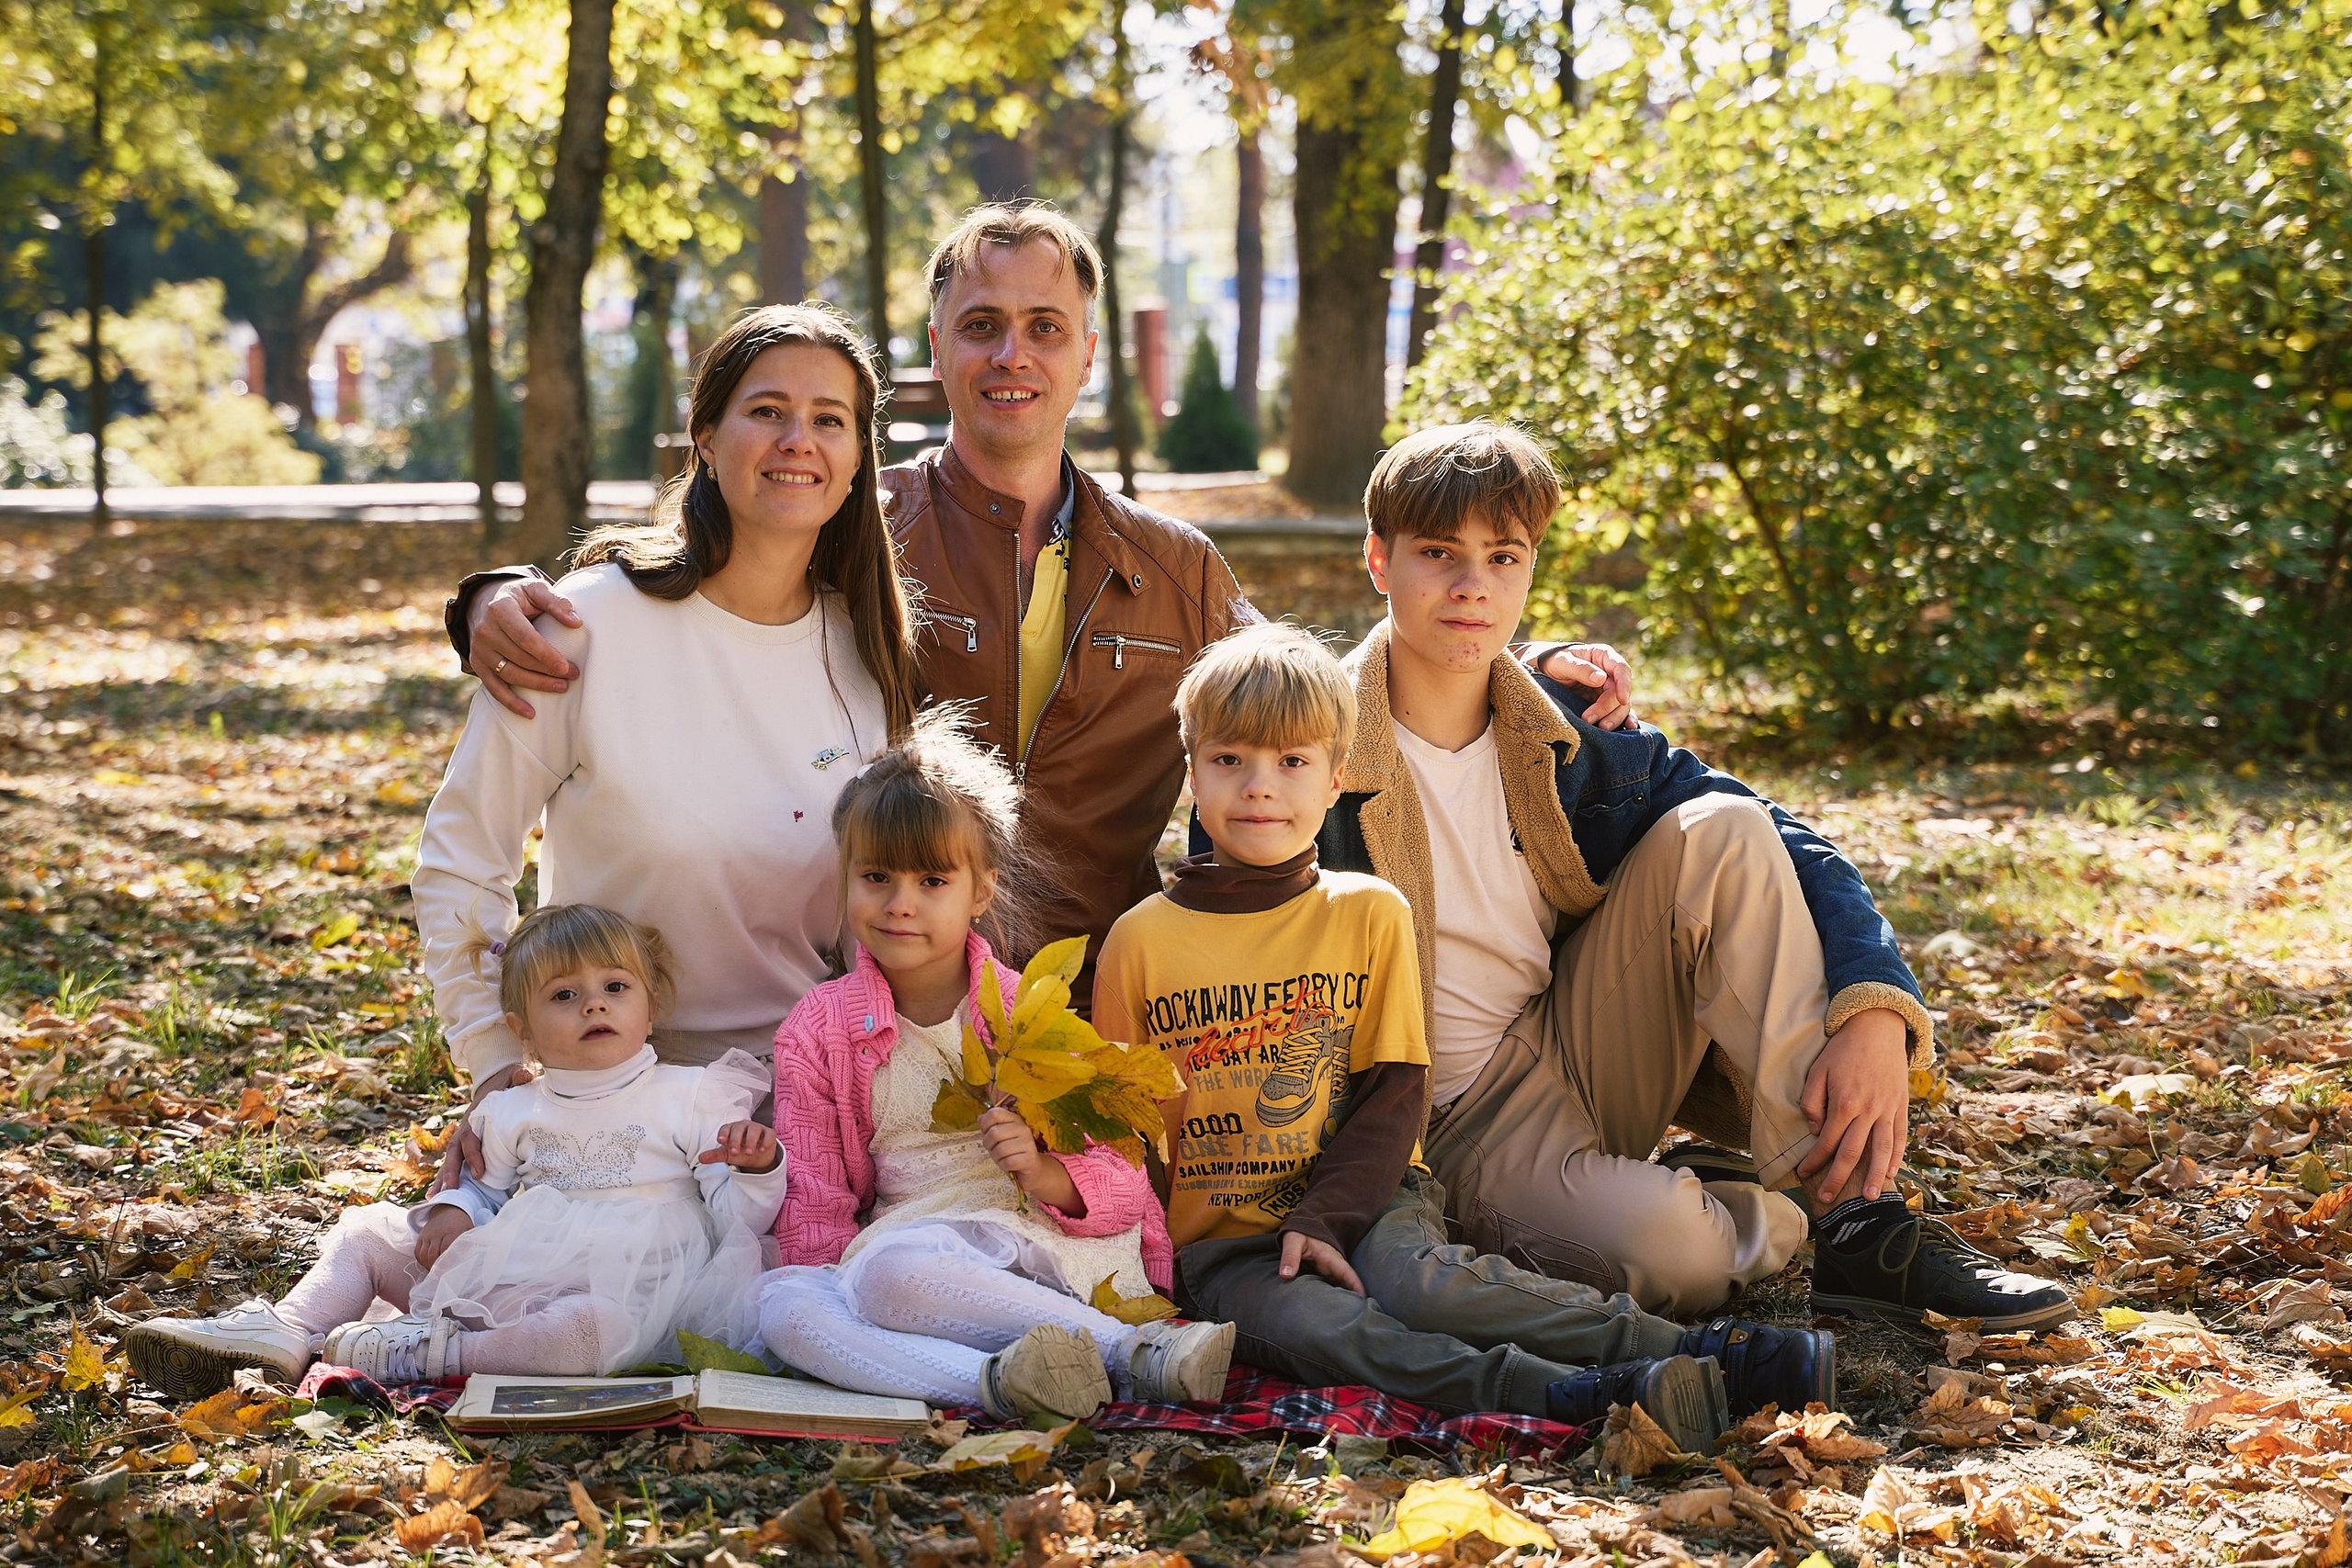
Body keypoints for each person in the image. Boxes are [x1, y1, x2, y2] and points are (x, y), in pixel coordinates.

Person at [444, 203, 1638, 1011]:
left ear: (1086, 355)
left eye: (1044, 327)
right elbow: (707, 575)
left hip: (1094, 1005)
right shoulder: (860, 531)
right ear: (937, 350)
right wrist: (496, 597)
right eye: (982, 325)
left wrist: (1506, 654)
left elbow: (1314, 706)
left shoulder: (1175, 567)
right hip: (886, 1009)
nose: (1012, 354)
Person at [1312, 421, 2075, 1331]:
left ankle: (1855, 1224)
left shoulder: (1564, 725)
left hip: (1578, 1039)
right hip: (1444, 1123)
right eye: (1437, 553)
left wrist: (1874, 1004)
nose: (1472, 585)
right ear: (1377, 560)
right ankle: (1718, 1197)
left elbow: (1777, 837)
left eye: (1502, 556)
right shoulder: (1304, 746)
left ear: (1529, 571)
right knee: (1683, 1259)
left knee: (1722, 827)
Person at [1093, 622, 1831, 1455]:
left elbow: (1395, 1089)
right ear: (1191, 770)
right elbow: (1131, 1133)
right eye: (1230, 760)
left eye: (1293, 762)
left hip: (1371, 1191)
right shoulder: (1141, 942)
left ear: (1339, 777)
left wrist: (1331, 1215)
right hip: (1231, 1243)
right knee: (1330, 1330)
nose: (1260, 788)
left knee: (1422, 1284)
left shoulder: (1370, 912)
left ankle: (1705, 1353)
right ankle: (1579, 1392)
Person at [416, 303, 923, 1190]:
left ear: (855, 463)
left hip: (809, 1105)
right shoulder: (586, 626)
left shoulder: (869, 653)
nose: (797, 439)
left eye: (829, 420)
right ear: (706, 438)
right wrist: (499, 1064)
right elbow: (462, 857)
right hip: (611, 1096)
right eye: (766, 410)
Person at [752, 714, 1234, 1422]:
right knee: (784, 1307)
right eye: (875, 876)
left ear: (981, 891)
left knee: (892, 1277)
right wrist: (828, 1294)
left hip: (1030, 1242)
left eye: (932, 879)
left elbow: (1123, 1174)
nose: (900, 903)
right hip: (906, 1248)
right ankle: (998, 1382)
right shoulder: (819, 1029)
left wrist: (1046, 1173)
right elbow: (818, 1200)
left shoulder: (1023, 1011)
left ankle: (1134, 1350)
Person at [125, 906, 786, 1393]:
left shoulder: (692, 1092)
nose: (593, 1005)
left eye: (615, 987)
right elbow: (486, 1189)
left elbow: (734, 1216)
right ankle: (288, 1331)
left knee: (588, 1331)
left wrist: (759, 1167)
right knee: (363, 1230)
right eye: (565, 995)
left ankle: (429, 1355)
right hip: (517, 1267)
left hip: (640, 1287)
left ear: (651, 1005)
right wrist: (455, 1210)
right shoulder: (511, 1107)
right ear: (520, 1028)